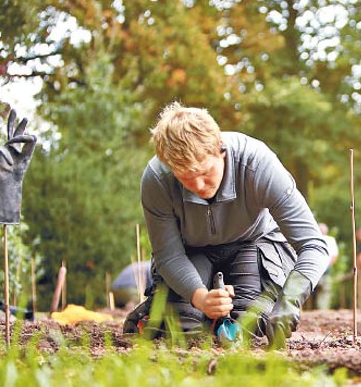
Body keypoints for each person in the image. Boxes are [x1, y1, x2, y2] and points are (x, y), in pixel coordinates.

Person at [123, 102, 329, 347]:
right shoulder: (157, 177)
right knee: (183, 328)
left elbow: (314, 245)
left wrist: (291, 298)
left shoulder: (258, 164)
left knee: (249, 325)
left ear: (221, 150)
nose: (198, 186)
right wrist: (200, 298)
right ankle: (164, 310)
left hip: (253, 245)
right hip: (191, 252)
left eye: (204, 173)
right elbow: (168, 255)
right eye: (186, 178)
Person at [315, 223, 339, 310]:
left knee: (325, 289)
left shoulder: (330, 240)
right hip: (315, 267)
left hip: (325, 268)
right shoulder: (314, 239)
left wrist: (328, 265)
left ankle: (322, 308)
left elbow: (334, 255)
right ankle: (319, 308)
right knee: (318, 290)